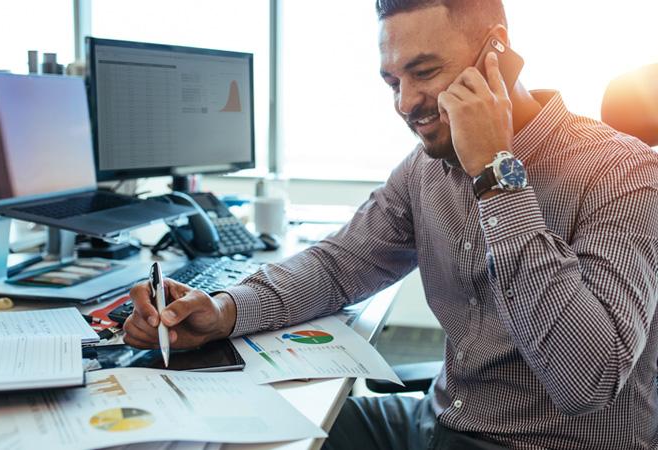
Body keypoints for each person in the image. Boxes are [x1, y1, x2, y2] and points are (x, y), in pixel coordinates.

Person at [124, 0, 658, 448]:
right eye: (392, 80)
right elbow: (340, 266)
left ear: (497, 52)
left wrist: (495, 174)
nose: (405, 104)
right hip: (439, 423)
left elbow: (591, 375)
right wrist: (225, 309)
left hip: (548, 444)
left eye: (425, 72)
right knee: (222, 434)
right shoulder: (425, 169)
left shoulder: (625, 174)